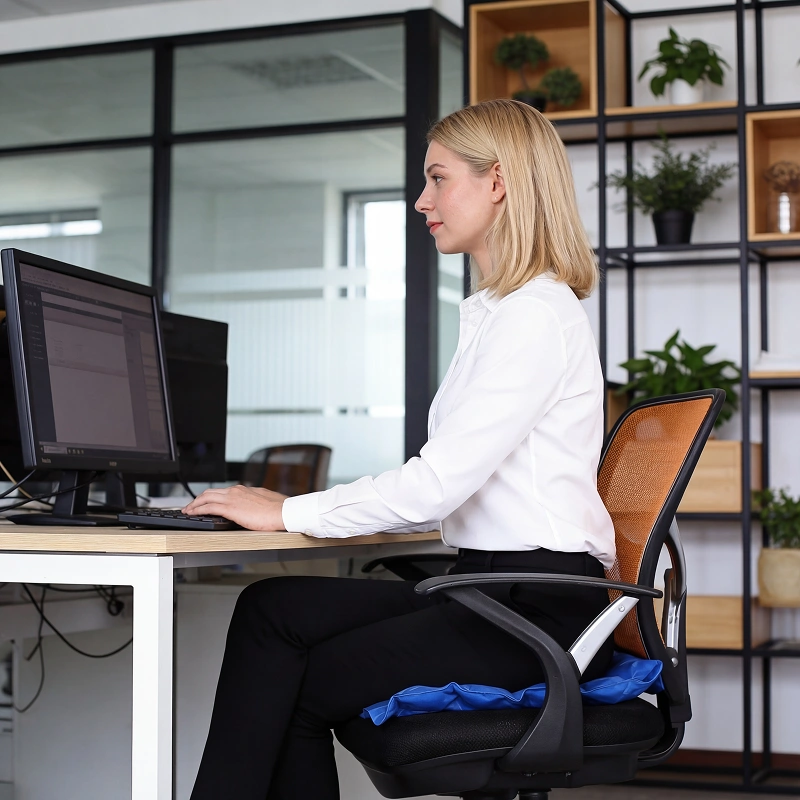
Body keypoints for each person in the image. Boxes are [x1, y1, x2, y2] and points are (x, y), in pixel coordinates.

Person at [186, 98, 616, 800]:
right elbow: (452, 481)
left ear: (498, 182)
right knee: (272, 610)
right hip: (491, 588)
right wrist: (298, 507)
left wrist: (287, 510)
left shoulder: (535, 316)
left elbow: (435, 485)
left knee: (300, 683)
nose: (422, 201)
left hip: (532, 612)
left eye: (438, 179)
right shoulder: (501, 313)